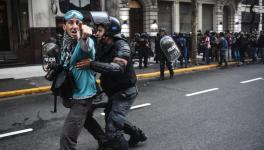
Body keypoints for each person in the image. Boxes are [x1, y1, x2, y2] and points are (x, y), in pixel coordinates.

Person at [76, 11, 147, 150]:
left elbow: (116, 68)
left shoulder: (122, 46)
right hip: (112, 91)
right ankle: (137, 134)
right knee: (110, 117)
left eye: (100, 30)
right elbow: (87, 53)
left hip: (125, 93)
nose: (96, 32)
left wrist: (91, 64)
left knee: (112, 129)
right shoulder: (101, 44)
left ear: (109, 32)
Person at [58, 10, 109, 150]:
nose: (74, 26)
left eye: (78, 23)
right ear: (64, 27)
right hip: (73, 93)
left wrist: (84, 38)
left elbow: (86, 48)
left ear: (82, 26)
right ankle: (104, 141)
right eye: (70, 23)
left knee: (67, 138)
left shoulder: (86, 42)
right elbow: (65, 65)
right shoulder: (65, 44)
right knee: (87, 120)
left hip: (83, 97)